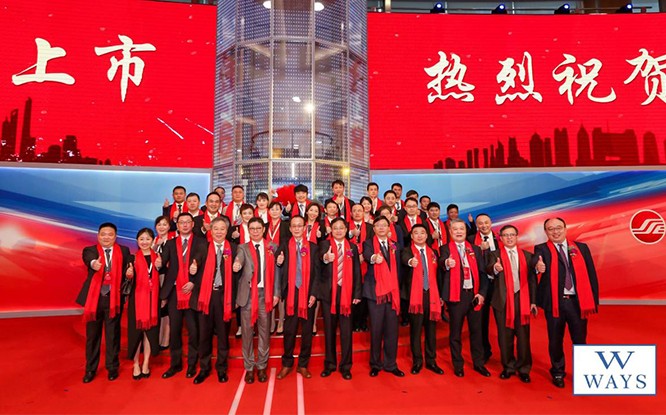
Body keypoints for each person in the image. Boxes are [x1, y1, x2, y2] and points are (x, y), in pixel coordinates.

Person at [534, 217, 599, 389]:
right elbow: (535, 264)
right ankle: (557, 372)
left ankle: (583, 373)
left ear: (565, 228)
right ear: (546, 232)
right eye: (551, 229)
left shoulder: (581, 248)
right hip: (555, 303)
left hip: (577, 303)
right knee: (555, 340)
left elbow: (591, 274)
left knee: (580, 339)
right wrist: (537, 267)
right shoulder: (541, 249)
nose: (555, 232)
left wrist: (593, 300)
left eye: (558, 228)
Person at [77, 222, 132, 383]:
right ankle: (90, 369)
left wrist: (129, 272)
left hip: (114, 299)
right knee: (92, 337)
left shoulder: (123, 251)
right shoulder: (90, 251)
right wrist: (94, 264)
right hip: (94, 300)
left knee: (112, 335)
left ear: (115, 236)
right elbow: (89, 260)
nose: (106, 237)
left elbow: (129, 265)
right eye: (103, 234)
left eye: (110, 234)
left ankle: (112, 367)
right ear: (98, 236)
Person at [157, 212, 207, 379]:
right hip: (174, 293)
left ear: (193, 224)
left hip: (193, 292)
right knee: (175, 330)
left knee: (194, 331)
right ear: (177, 226)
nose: (185, 225)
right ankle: (175, 364)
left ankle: (192, 364)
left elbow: (205, 268)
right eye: (181, 222)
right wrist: (158, 262)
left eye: (188, 222)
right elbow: (162, 264)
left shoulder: (201, 242)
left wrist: (194, 282)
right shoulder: (170, 244)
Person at [232, 217, 282, 384]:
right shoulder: (243, 247)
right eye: (252, 228)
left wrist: (276, 293)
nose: (255, 231)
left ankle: (261, 366)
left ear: (263, 230)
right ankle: (249, 367)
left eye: (258, 228)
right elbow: (239, 259)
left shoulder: (272, 247)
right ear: (249, 230)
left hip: (265, 295)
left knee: (264, 333)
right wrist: (237, 264)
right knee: (247, 334)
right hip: (248, 296)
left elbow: (277, 273)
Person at [439, 218, 490, 378]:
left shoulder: (475, 249)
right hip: (457, 296)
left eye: (461, 229)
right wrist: (446, 263)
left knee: (476, 332)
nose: (459, 232)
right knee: (455, 333)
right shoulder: (445, 249)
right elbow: (441, 264)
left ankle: (479, 363)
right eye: (455, 229)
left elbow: (483, 273)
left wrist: (482, 293)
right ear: (450, 232)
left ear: (466, 231)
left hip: (474, 295)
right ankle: (458, 364)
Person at [486, 225, 537, 383]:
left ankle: (524, 368)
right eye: (506, 235)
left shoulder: (527, 256)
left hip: (522, 299)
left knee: (523, 336)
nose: (509, 238)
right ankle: (508, 367)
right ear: (501, 238)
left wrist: (533, 301)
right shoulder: (494, 255)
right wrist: (495, 268)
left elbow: (532, 280)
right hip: (502, 300)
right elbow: (488, 269)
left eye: (512, 235)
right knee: (504, 336)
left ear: (516, 236)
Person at [192, 216, 237, 384]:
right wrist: (193, 267)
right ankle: (204, 368)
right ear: (211, 230)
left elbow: (237, 275)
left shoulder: (233, 248)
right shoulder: (203, 247)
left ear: (227, 231)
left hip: (224, 297)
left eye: (222, 229)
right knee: (204, 335)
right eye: (216, 228)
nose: (219, 232)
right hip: (206, 296)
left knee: (223, 336)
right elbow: (195, 263)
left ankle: (221, 369)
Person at [275, 216, 320, 379]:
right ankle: (287, 363)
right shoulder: (284, 245)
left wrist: (314, 293)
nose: (296, 228)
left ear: (304, 227)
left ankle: (303, 365)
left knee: (307, 332)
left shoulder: (313, 247)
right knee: (289, 331)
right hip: (291, 293)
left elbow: (318, 273)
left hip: (308, 294)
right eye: (293, 226)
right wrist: (279, 262)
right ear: (290, 228)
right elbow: (277, 266)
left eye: (299, 226)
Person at [319, 218, 362, 380]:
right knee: (329, 331)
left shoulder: (352, 247)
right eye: (335, 228)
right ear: (331, 230)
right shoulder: (325, 245)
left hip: (347, 294)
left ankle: (346, 366)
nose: (338, 231)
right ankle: (330, 364)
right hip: (328, 295)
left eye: (341, 228)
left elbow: (357, 271)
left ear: (346, 230)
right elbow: (318, 262)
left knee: (346, 332)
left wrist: (357, 294)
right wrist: (325, 258)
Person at [362, 216, 404, 377]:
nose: (381, 228)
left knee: (392, 330)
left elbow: (400, 267)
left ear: (389, 228)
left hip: (392, 292)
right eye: (378, 225)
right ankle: (375, 364)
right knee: (376, 329)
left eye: (384, 225)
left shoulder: (395, 245)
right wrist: (374, 258)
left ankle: (390, 364)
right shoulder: (368, 244)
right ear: (374, 228)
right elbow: (367, 255)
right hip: (375, 293)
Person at [401, 224, 444, 376]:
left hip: (432, 296)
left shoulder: (433, 253)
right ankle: (417, 361)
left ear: (427, 236)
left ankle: (431, 361)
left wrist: (440, 295)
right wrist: (410, 262)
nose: (419, 235)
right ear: (412, 236)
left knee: (431, 331)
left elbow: (438, 275)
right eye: (416, 233)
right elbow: (405, 259)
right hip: (415, 297)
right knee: (416, 330)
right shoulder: (407, 251)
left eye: (422, 233)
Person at [127, 228, 161, 380]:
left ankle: (146, 362)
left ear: (153, 240)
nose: (144, 242)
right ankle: (136, 364)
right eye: (141, 239)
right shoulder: (132, 258)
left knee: (149, 332)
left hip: (154, 299)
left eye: (147, 239)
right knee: (136, 333)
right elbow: (126, 279)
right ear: (137, 241)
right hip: (137, 300)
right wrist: (128, 275)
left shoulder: (158, 257)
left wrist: (160, 266)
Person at [468, 213, 499, 364]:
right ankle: (484, 352)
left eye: (486, 222)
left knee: (502, 321)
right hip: (481, 285)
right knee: (481, 321)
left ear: (491, 222)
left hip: (499, 285)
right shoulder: (470, 240)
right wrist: (480, 250)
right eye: (480, 223)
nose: (484, 226)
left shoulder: (500, 238)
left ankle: (507, 355)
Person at [349, 203, 373, 332]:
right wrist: (351, 233)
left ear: (364, 213)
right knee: (352, 293)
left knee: (364, 294)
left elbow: (373, 244)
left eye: (360, 210)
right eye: (355, 211)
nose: (357, 213)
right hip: (349, 264)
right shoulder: (346, 226)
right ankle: (353, 322)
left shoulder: (370, 227)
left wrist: (364, 255)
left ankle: (362, 321)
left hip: (366, 264)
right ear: (351, 213)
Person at [153, 216, 172, 351]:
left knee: (166, 309)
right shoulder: (152, 240)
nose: (162, 227)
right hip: (154, 277)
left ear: (169, 227)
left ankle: (165, 340)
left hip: (167, 276)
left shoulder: (173, 240)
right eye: (159, 224)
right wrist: (155, 246)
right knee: (157, 307)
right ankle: (156, 339)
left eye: (164, 224)